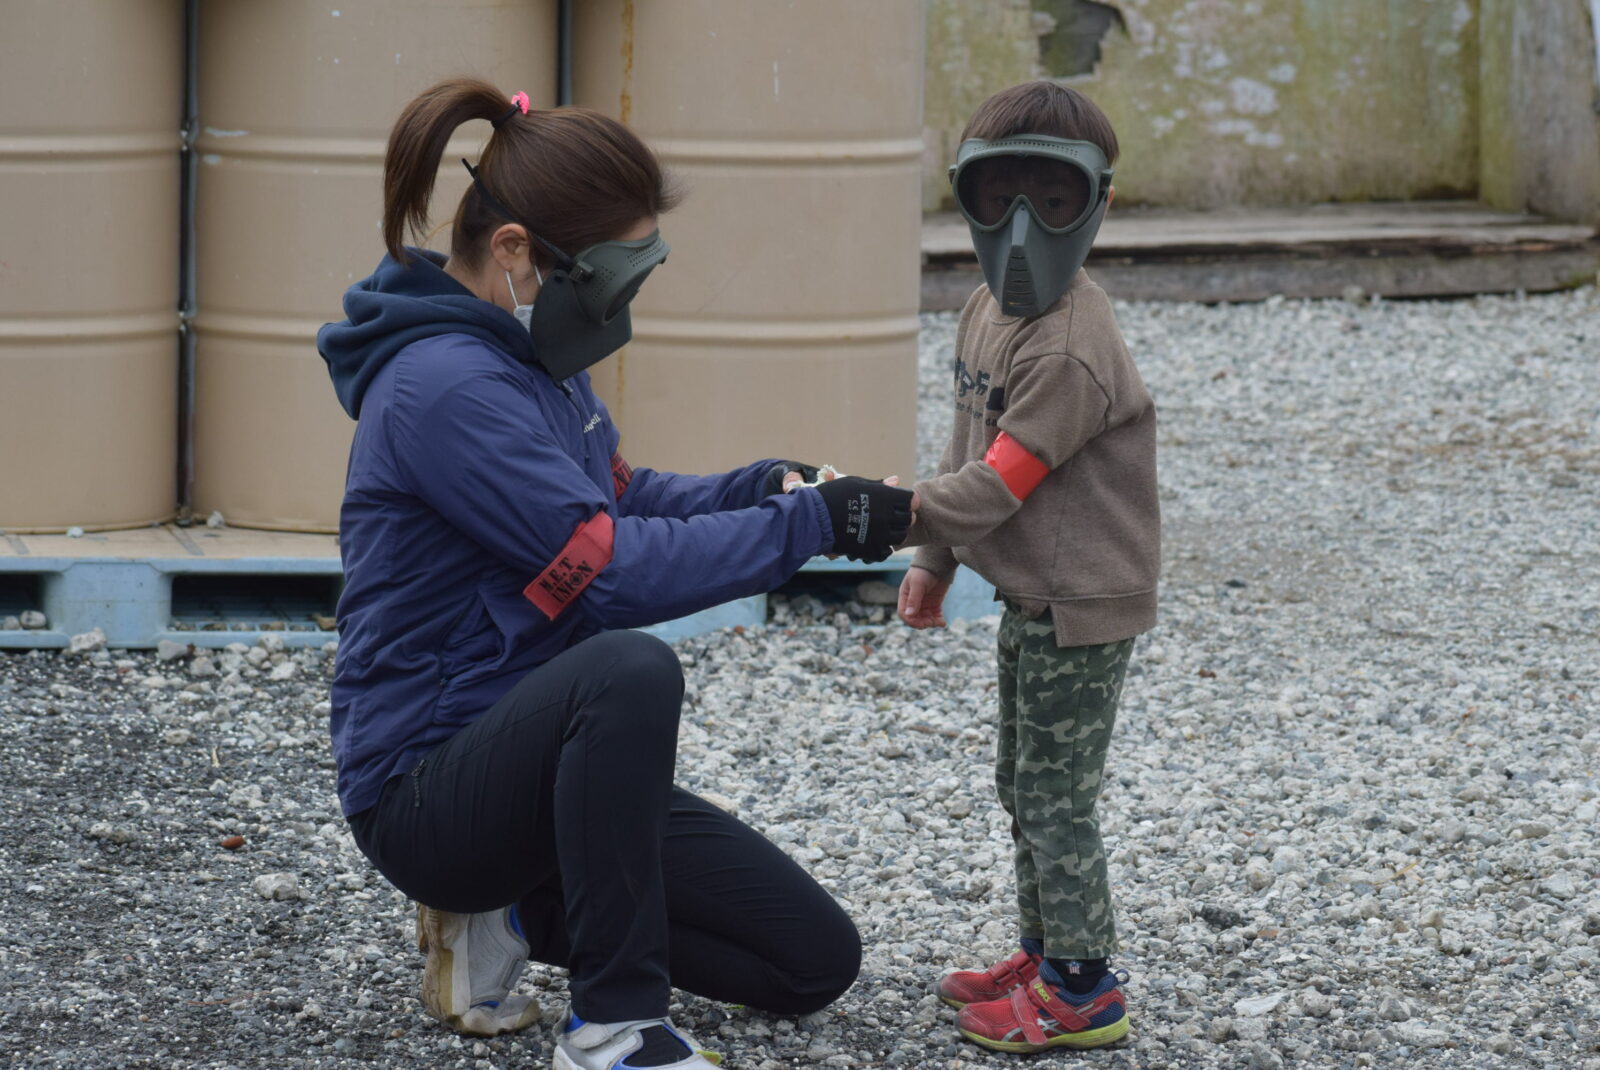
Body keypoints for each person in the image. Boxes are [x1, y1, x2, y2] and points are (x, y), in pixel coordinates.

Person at [316, 79, 915, 1070]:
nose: (620, 307)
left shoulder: (530, 362)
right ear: (517, 250)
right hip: (427, 792)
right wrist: (805, 523)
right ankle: (615, 1028)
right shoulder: (444, 389)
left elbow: (619, 498)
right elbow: (608, 572)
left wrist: (768, 487)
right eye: (610, 280)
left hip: (544, 772)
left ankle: (509, 915)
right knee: (626, 668)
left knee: (809, 960)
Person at [895, 81, 1159, 1053]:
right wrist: (932, 557)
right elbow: (968, 441)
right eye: (997, 197)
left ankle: (1083, 991)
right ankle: (1046, 955)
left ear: (1097, 204)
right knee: (1022, 782)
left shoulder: (1070, 348)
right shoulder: (983, 309)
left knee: (1055, 796)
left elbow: (1001, 480)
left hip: (1080, 602)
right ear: (963, 194)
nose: (1020, 230)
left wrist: (880, 514)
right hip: (1031, 594)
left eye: (1051, 202)